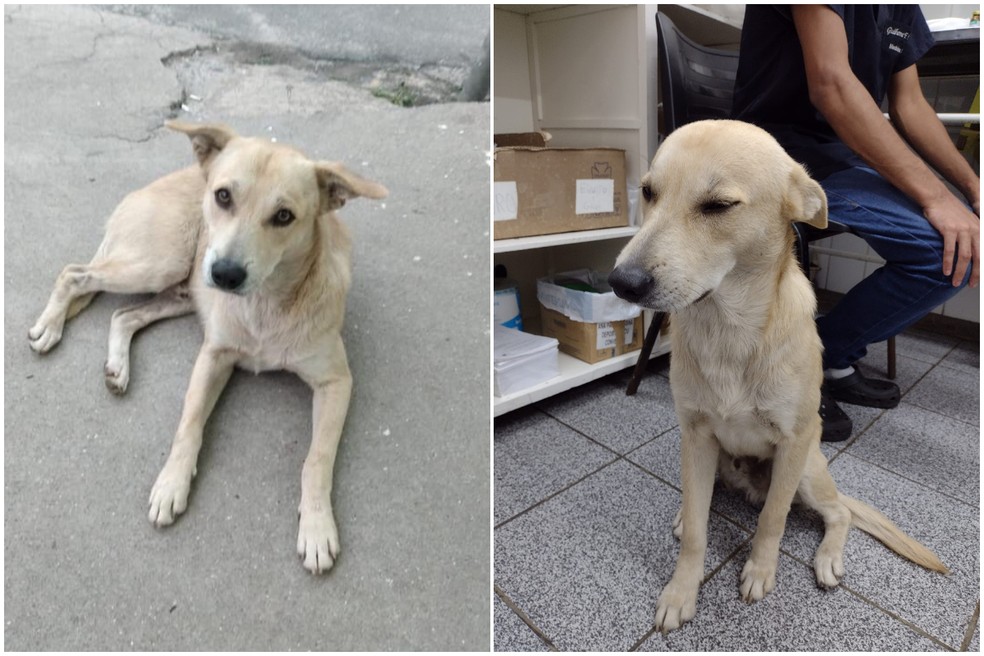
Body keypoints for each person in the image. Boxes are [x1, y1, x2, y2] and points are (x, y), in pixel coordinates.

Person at [731, 5, 980, 441]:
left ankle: (822, 355)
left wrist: (972, 189)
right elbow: (830, 85)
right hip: (775, 155)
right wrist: (938, 197)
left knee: (954, 241)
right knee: (937, 249)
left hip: (840, 157)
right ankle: (799, 364)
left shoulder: (903, 8)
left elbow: (911, 105)